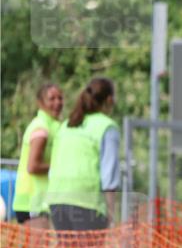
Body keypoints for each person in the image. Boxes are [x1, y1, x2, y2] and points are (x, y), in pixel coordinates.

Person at [46, 78, 121, 230]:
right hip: (87, 202)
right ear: (109, 99)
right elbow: (109, 176)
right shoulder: (107, 127)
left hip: (57, 200)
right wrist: (111, 215)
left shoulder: (67, 124)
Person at [11, 83, 64, 224]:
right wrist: (61, 167)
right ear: (40, 103)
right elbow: (33, 166)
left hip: (43, 200)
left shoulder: (54, 126)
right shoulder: (41, 128)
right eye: (51, 99)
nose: (57, 102)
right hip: (31, 201)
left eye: (60, 98)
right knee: (37, 246)